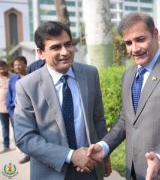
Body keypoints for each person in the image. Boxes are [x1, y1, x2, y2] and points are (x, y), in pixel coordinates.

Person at [87, 12, 160, 180]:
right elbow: (126, 119)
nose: (134, 49)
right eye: (128, 43)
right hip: (133, 171)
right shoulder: (128, 75)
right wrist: (104, 146)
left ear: (155, 34)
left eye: (140, 39)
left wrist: (159, 158)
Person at [13, 21, 111, 180]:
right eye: (55, 47)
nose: (65, 52)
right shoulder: (26, 86)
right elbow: (25, 138)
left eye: (68, 44)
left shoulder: (90, 73)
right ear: (41, 52)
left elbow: (98, 119)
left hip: (90, 168)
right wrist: (71, 155)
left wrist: (105, 154)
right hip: (50, 172)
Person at [6, 55, 30, 163]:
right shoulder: (12, 79)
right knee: (20, 133)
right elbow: (9, 96)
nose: (17, 67)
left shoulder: (31, 76)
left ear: (25, 64)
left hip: (31, 110)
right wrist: (11, 113)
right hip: (16, 112)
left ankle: (35, 154)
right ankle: (27, 154)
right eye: (15, 65)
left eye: (19, 64)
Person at [0, 60, 11, 153]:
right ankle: (6, 145)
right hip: (1, 108)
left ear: (7, 67)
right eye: (0, 69)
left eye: (3, 68)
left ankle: (20, 145)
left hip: (12, 107)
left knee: (17, 127)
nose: (2, 70)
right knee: (4, 127)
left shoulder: (13, 77)